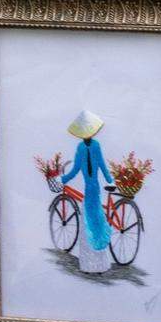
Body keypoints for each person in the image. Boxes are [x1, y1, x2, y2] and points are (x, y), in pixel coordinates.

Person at [58, 109, 112, 275]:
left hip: (91, 190)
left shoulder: (83, 147)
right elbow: (96, 165)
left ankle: (91, 265)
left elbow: (76, 168)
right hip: (93, 189)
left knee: (90, 221)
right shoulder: (92, 146)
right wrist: (109, 178)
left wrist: (65, 178)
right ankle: (97, 264)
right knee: (95, 221)